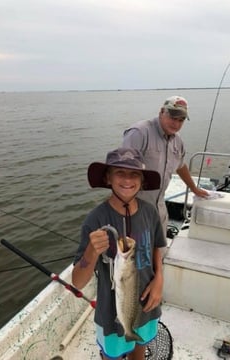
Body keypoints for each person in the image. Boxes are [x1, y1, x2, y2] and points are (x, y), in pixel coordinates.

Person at [72, 148, 166, 360]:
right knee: (111, 356)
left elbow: (156, 247)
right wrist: (90, 252)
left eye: (134, 174)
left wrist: (159, 277)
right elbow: (78, 282)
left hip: (147, 305)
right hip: (112, 312)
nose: (127, 180)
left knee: (139, 352)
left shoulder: (150, 211)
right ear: (108, 177)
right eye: (119, 173)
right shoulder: (95, 219)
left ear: (142, 181)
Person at [122, 95, 208, 236]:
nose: (176, 124)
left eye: (181, 120)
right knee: (135, 251)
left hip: (160, 206)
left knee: (159, 248)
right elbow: (121, 171)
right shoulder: (139, 132)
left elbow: (180, 166)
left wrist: (194, 188)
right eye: (173, 118)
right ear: (161, 112)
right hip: (134, 206)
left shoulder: (177, 140)